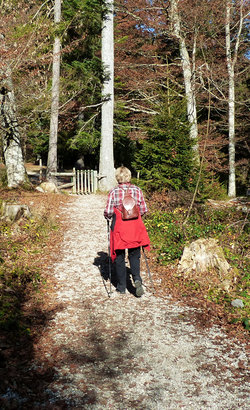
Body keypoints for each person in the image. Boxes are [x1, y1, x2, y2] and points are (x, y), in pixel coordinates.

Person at [104, 166, 150, 296]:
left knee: (119, 257)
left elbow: (108, 212)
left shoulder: (113, 192)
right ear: (129, 176)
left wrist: (108, 217)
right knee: (134, 255)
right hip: (135, 228)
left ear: (117, 177)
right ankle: (136, 279)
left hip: (120, 228)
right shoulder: (137, 190)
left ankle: (122, 286)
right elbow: (143, 210)